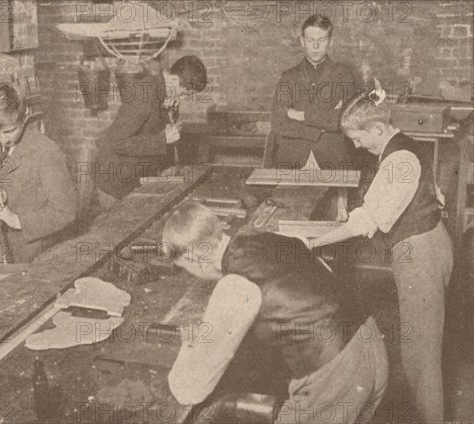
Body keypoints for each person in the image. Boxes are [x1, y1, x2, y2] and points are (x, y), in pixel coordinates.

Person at [163, 201, 388, 424]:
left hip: (338, 374)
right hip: (371, 343)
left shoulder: (234, 286)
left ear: (193, 258)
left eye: (184, 267)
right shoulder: (270, 238)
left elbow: (191, 389)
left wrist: (190, 345)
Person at [311, 88, 453, 423]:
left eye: (357, 138)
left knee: (421, 358)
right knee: (419, 350)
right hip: (427, 243)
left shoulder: (399, 161)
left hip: (420, 255)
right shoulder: (404, 144)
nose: (356, 145)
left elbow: (365, 222)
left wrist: (315, 242)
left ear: (377, 129)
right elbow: (437, 198)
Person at [0, 82, 77, 264]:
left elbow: (66, 211)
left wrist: (16, 220)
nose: (3, 139)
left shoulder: (47, 152)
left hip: (30, 253)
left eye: (10, 131)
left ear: (25, 116)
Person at [94, 56, 207, 210]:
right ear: (173, 79)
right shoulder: (143, 95)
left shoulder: (161, 91)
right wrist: (163, 139)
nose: (181, 98)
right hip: (115, 183)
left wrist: (169, 111)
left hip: (133, 177)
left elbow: (149, 128)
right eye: (183, 93)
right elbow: (117, 143)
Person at [267, 14, 357, 170]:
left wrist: (301, 115)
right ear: (302, 41)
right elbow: (278, 122)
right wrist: (318, 129)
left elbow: (343, 120)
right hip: (291, 158)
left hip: (333, 157)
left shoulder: (343, 75)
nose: (315, 47)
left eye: (321, 40)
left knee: (337, 195)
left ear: (331, 42)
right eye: (310, 40)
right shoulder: (288, 77)